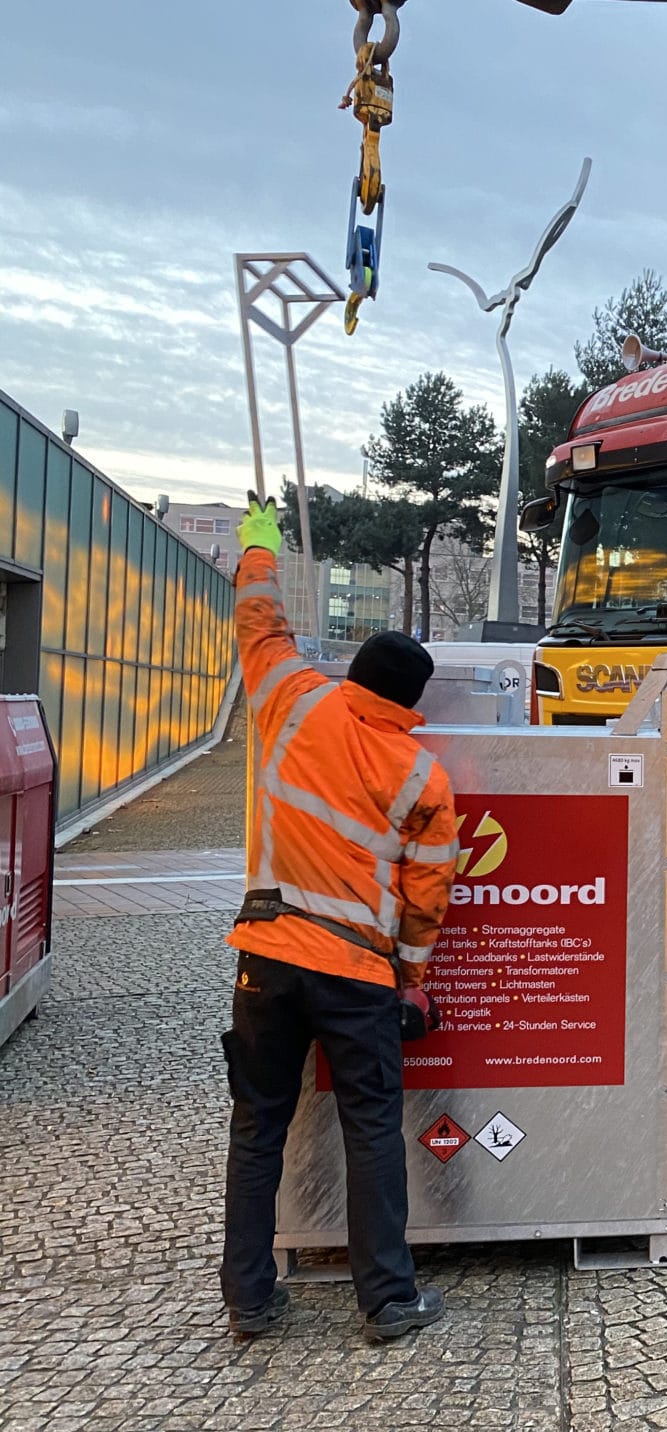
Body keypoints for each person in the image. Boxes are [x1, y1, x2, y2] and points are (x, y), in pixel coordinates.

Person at [220, 492, 458, 1342]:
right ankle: (388, 1301)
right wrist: (414, 979)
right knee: (371, 1131)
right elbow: (429, 896)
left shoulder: (291, 697)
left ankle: (249, 1298)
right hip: (358, 974)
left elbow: (259, 620)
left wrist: (260, 546)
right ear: (413, 702)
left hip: (267, 955)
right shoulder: (422, 776)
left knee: (257, 1129)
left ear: (354, 670)